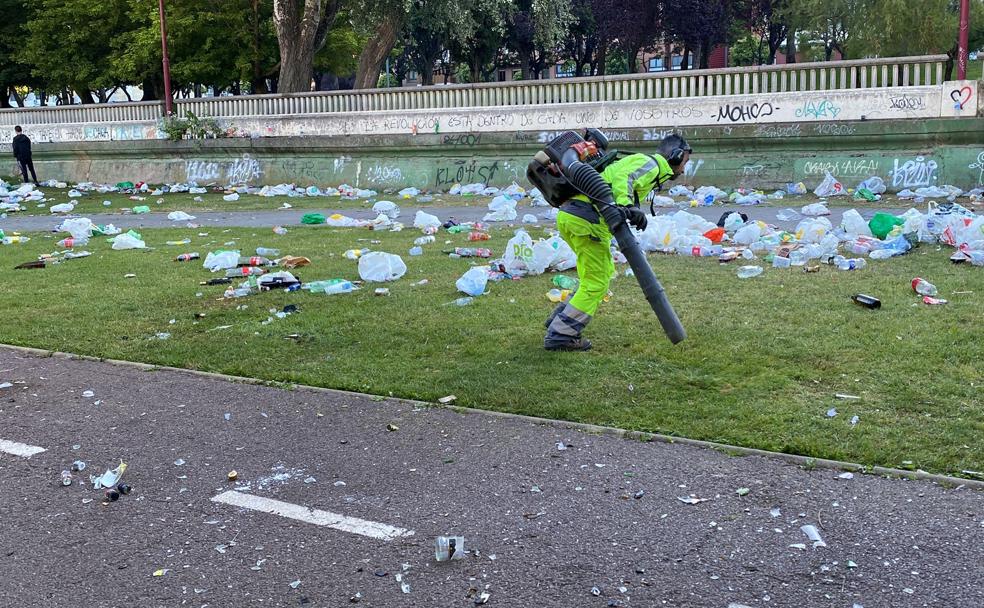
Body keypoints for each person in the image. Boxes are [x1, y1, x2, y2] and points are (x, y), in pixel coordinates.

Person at [543, 133, 692, 351]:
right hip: (587, 219)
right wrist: (627, 205)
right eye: (685, 162)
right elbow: (625, 177)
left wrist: (628, 209)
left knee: (595, 275)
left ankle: (561, 318)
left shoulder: (645, 163)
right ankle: (560, 335)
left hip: (573, 216)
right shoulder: (652, 164)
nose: (684, 169)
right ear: (676, 156)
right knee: (597, 282)